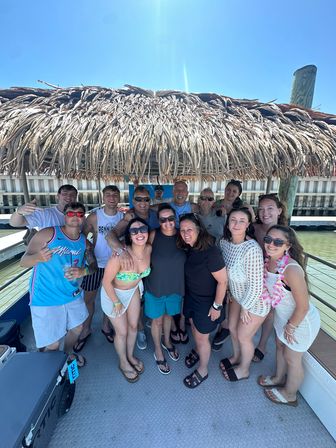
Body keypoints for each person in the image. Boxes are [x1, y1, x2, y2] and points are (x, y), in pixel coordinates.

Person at [19, 202, 97, 367]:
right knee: (51, 344)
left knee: (77, 328)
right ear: (64, 216)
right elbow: (23, 261)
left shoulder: (84, 242)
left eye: (79, 214)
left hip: (72, 294)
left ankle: (67, 355)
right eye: (70, 213)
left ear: (84, 217)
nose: (75, 216)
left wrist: (83, 271)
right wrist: (38, 258)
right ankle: (53, 373)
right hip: (46, 297)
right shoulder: (48, 234)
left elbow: (94, 266)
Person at [259, 225, 320, 406]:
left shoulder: (291, 270)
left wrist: (291, 326)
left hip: (300, 321)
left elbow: (303, 306)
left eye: (278, 242)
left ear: (288, 246)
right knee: (279, 346)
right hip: (282, 316)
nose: (271, 244)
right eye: (268, 239)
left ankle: (290, 394)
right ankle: (278, 377)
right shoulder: (269, 260)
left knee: (293, 359)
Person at [219, 207, 270, 381]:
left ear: (248, 224)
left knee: (243, 335)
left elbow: (256, 285)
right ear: (228, 222)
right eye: (233, 219)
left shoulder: (252, 249)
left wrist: (245, 308)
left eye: (242, 220)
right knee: (232, 328)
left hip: (255, 301)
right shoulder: (224, 243)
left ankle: (244, 369)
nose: (237, 224)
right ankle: (236, 356)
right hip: (236, 297)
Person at [106, 185, 160, 350]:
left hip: (150, 262)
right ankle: (141, 329)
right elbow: (110, 235)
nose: (142, 202)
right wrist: (121, 252)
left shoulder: (154, 214)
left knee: (151, 296)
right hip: (130, 265)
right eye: (138, 199)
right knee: (135, 302)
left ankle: (152, 324)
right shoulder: (129, 217)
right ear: (132, 200)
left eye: (146, 199)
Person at [177, 213, 227, 388]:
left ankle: (203, 370)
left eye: (189, 229)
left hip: (208, 302)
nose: (185, 233)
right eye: (182, 230)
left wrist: (217, 306)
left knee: (201, 337)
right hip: (192, 298)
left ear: (199, 229)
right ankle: (198, 350)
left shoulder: (211, 252)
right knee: (195, 329)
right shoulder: (190, 248)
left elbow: (223, 281)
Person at [73, 186, 124, 352]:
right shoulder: (94, 217)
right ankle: (86, 329)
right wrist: (88, 249)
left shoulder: (123, 217)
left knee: (111, 299)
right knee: (89, 299)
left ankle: (106, 326)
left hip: (116, 265)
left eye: (115, 195)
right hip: (96, 264)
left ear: (118, 198)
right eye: (108, 195)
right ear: (103, 197)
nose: (111, 197)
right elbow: (82, 235)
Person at [101, 218, 151, 382]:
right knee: (121, 332)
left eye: (142, 229)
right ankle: (123, 363)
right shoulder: (119, 255)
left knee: (133, 327)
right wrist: (116, 301)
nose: (139, 233)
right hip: (113, 294)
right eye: (134, 231)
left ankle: (129, 356)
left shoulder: (149, 249)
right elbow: (106, 282)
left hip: (133, 291)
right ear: (129, 235)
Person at [144, 204, 186, 375]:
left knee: (169, 316)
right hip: (155, 285)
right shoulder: (153, 235)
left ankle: (167, 342)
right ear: (158, 221)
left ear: (175, 218)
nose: (167, 222)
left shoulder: (182, 234)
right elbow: (141, 253)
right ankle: (158, 351)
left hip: (175, 285)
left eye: (170, 218)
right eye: (163, 219)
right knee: (157, 320)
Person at [252, 193, 288, 362]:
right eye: (261, 209)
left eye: (270, 209)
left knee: (270, 312)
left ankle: (262, 345)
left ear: (279, 211)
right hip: (254, 274)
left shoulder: (287, 234)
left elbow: (293, 258)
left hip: (274, 276)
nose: (265, 213)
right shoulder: (254, 228)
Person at [10, 184, 78, 229]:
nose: (68, 197)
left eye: (72, 194)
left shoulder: (80, 216)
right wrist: (18, 212)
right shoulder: (44, 213)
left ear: (76, 197)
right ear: (58, 196)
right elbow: (15, 223)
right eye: (65, 194)